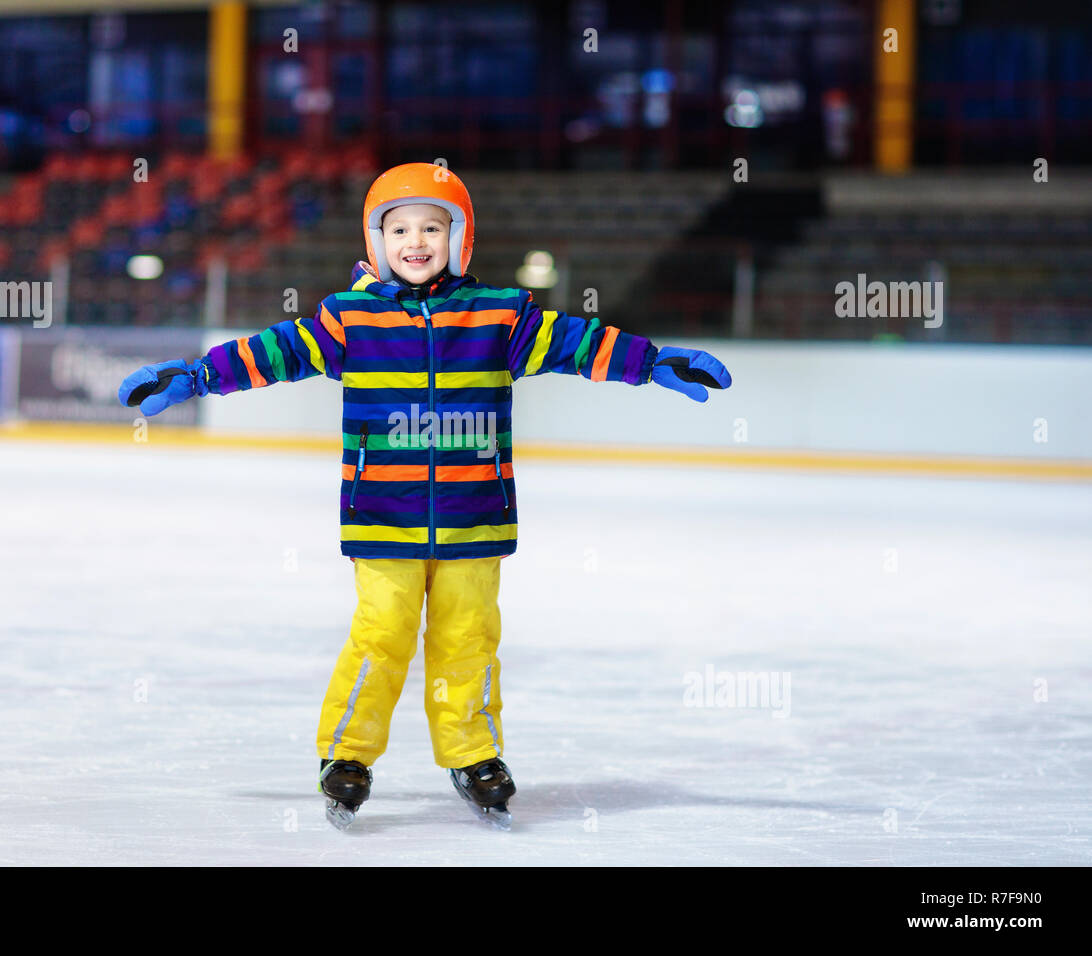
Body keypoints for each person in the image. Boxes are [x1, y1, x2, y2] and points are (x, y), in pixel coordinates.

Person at [118, 162, 732, 828]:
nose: (417, 240)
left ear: (459, 238)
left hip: (474, 520)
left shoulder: (499, 315)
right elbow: (274, 352)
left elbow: (576, 342)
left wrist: (653, 362)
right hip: (384, 518)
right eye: (400, 228)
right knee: (380, 636)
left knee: (469, 641)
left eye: (433, 227)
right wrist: (197, 376)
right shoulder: (348, 318)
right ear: (377, 240)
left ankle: (473, 754)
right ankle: (346, 755)